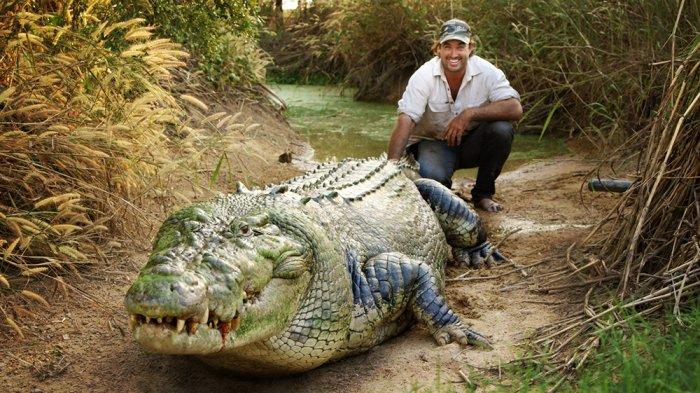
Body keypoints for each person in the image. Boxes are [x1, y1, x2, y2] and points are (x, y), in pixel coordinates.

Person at [387, 19, 522, 212]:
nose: (453, 54)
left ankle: (483, 194)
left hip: (471, 143)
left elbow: (515, 108)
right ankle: (449, 197)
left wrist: (469, 114)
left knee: (502, 129)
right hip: (433, 144)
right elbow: (406, 119)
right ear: (438, 49)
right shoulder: (423, 76)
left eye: (460, 46)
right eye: (447, 47)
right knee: (434, 184)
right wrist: (390, 168)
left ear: (470, 48)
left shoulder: (487, 71)